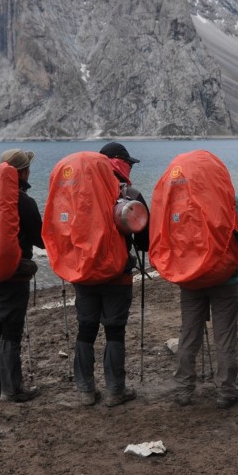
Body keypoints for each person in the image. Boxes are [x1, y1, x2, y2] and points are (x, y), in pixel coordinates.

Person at [72, 141, 150, 407]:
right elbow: (144, 241)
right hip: (117, 274)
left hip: (83, 272)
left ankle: (85, 390)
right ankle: (115, 391)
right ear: (121, 163)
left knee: (86, 328)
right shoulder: (131, 193)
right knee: (114, 330)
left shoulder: (77, 192)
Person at [0, 148, 44, 403]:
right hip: (13, 275)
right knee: (11, 331)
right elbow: (41, 240)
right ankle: (11, 389)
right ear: (23, 172)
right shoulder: (23, 201)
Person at [172, 196, 238, 409]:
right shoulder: (228, 195)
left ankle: (183, 389)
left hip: (191, 276)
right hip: (225, 275)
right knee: (224, 336)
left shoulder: (181, 198)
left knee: (189, 333)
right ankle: (226, 390)